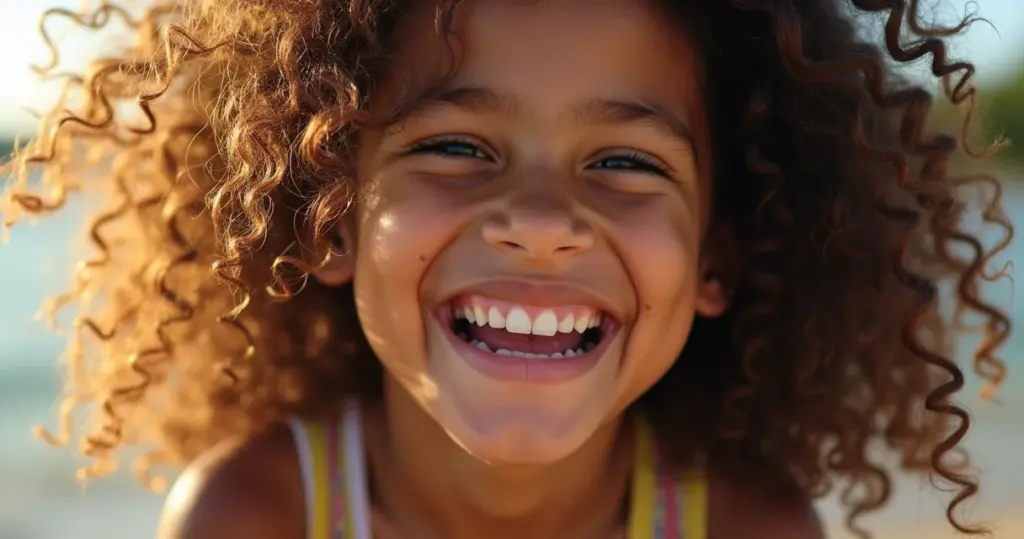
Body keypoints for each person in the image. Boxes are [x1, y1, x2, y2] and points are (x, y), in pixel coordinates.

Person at [1, 0, 1012, 538]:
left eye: (624, 161)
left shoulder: (755, 527)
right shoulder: (252, 516)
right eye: (456, 146)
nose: (538, 221)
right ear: (333, 220)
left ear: (716, 255)